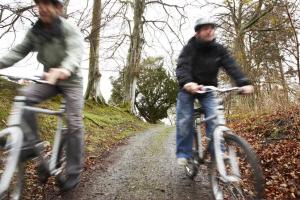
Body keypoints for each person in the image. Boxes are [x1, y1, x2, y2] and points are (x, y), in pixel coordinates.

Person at [0, 0, 84, 191]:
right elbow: (18, 52)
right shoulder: (36, 31)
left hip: (71, 81)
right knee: (24, 96)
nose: (43, 8)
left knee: (74, 123)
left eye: (48, 3)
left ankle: (73, 172)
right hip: (49, 79)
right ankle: (32, 145)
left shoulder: (69, 29)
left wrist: (63, 70)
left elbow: (75, 53)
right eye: (39, 3)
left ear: (58, 8)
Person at [175, 17, 254, 166]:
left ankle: (217, 152)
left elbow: (232, 66)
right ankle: (184, 153)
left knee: (214, 118)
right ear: (197, 32)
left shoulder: (219, 50)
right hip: (189, 88)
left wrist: (243, 83)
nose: (210, 31)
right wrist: (188, 83)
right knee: (185, 118)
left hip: (208, 89)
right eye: (205, 28)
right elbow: (182, 67)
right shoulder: (189, 49)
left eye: (212, 28)